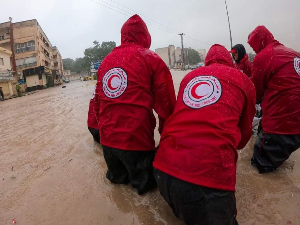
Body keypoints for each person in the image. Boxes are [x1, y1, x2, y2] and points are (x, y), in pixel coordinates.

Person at [153, 44, 256, 225]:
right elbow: (246, 132)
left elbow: (181, 116)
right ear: (229, 60)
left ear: (207, 60)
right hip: (208, 181)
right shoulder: (243, 80)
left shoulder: (189, 77)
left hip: (162, 170)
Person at [95, 14, 176, 195]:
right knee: (147, 193)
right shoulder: (151, 58)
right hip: (136, 145)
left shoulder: (105, 62)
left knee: (118, 192)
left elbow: (97, 105)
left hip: (108, 146)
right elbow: (168, 108)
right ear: (145, 36)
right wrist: (166, 142)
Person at [248, 25, 300, 173]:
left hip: (280, 125)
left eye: (254, 46)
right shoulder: (294, 53)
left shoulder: (264, 56)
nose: (254, 50)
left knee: (259, 170)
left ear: (259, 41)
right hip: (296, 124)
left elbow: (255, 92)